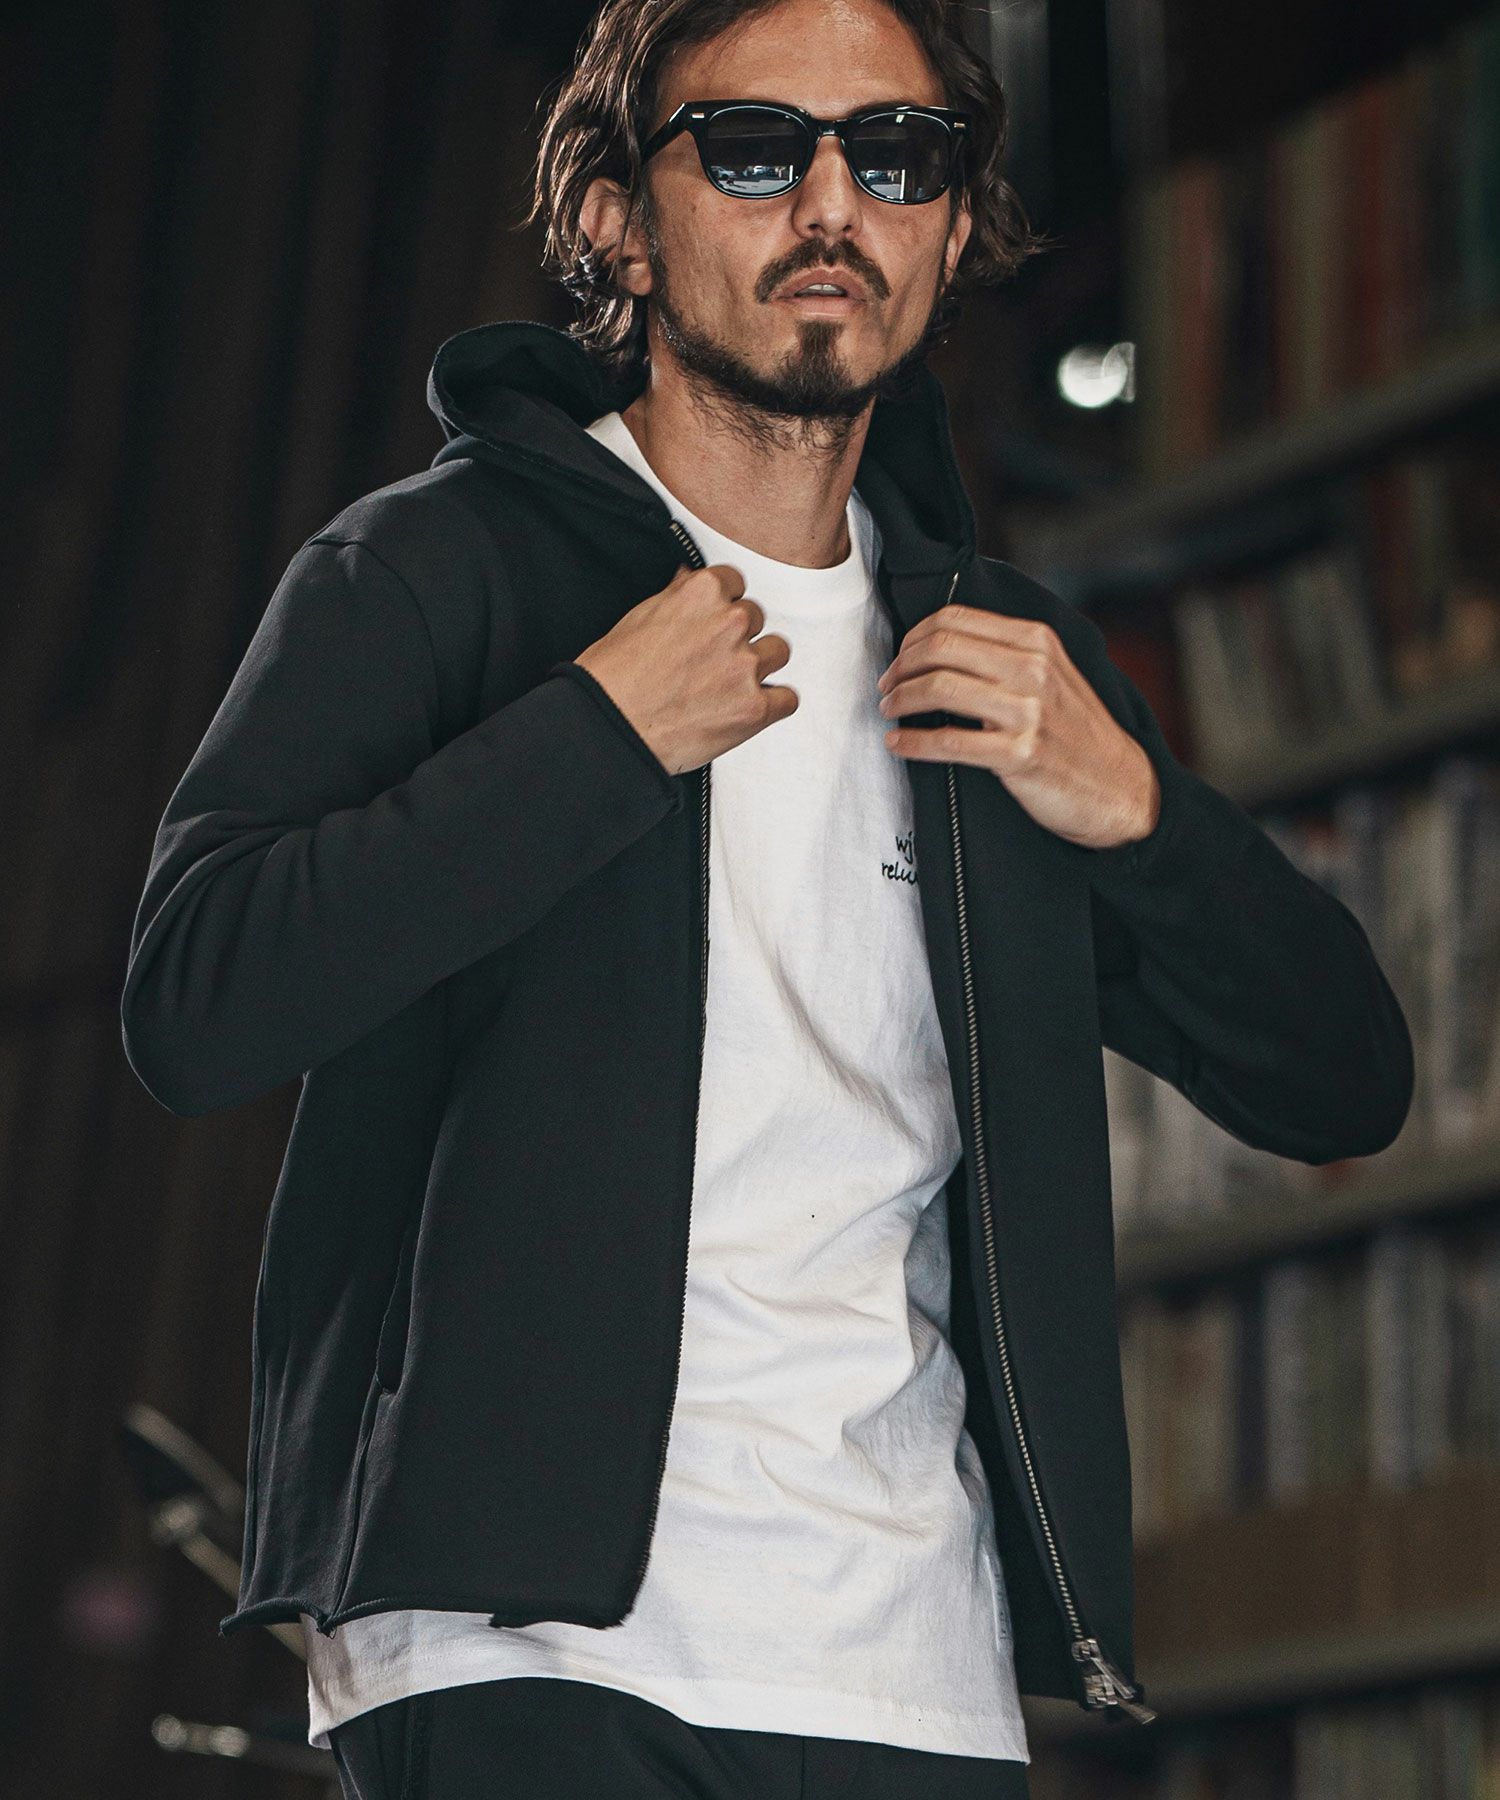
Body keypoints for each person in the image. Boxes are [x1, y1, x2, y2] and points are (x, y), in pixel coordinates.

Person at [119, 0, 1416, 1794]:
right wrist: (593, 736)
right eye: (751, 149)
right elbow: (197, 1002)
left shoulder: (1000, 661)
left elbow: (1345, 1081)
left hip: (913, 1671)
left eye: (896, 155)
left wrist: (1139, 813)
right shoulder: (434, 569)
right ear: (616, 224)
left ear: (951, 232)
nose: (830, 202)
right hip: (521, 1651)